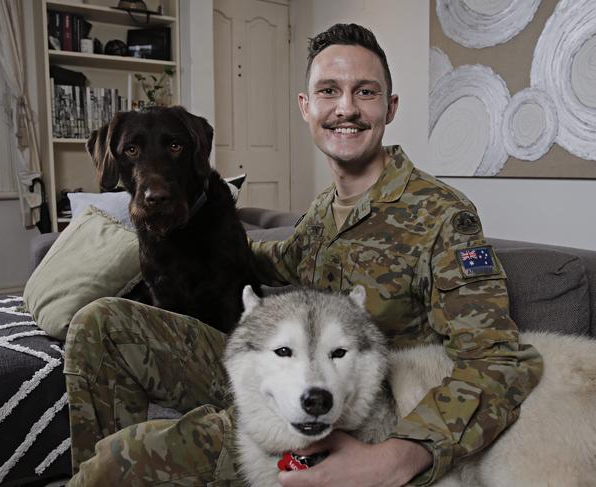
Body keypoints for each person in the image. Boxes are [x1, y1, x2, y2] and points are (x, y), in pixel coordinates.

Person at [64, 23, 543, 486]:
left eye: (366, 92)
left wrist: (403, 454)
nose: (346, 109)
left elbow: (500, 362)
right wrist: (198, 235)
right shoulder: (323, 211)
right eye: (329, 91)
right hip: (277, 378)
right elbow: (276, 258)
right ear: (306, 107)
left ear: (390, 107)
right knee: (99, 323)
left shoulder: (442, 215)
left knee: (123, 461)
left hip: (352, 416)